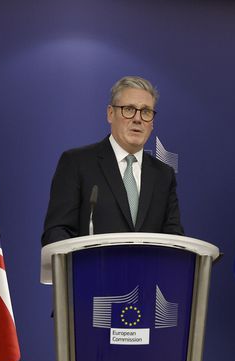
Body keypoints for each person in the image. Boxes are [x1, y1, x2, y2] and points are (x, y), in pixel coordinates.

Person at [41, 76, 183, 246]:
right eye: (129, 109)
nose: (138, 119)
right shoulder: (77, 163)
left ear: (152, 122)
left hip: (148, 272)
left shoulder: (163, 175)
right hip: (92, 271)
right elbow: (57, 232)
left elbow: (174, 238)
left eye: (146, 112)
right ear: (110, 113)